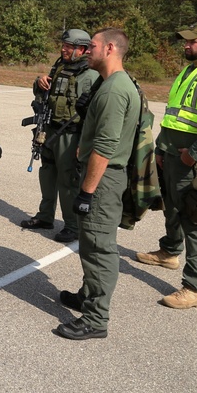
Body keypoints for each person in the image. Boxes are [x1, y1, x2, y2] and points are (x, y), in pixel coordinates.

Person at [134, 22, 197, 309]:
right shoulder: (190, 71)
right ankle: (168, 252)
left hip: (192, 162)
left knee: (195, 220)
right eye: (185, 41)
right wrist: (160, 147)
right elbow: (174, 116)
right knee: (171, 207)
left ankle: (195, 288)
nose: (186, 45)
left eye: (193, 41)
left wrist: (192, 155)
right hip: (171, 154)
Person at [56, 28, 139, 340]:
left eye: (92, 46)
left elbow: (106, 146)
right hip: (100, 174)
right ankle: (87, 295)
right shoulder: (111, 83)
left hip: (103, 181)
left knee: (100, 248)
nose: (86, 50)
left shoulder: (116, 89)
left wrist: (87, 191)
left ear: (110, 48)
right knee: (90, 244)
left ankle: (95, 318)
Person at [21, 29, 99, 242]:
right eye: (63, 45)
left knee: (67, 180)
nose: (63, 49)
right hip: (50, 129)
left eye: (69, 46)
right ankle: (45, 216)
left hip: (71, 134)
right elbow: (46, 95)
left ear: (81, 49)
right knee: (47, 174)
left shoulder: (90, 75)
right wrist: (40, 82)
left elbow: (92, 114)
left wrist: (83, 142)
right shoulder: (59, 67)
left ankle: (72, 226)